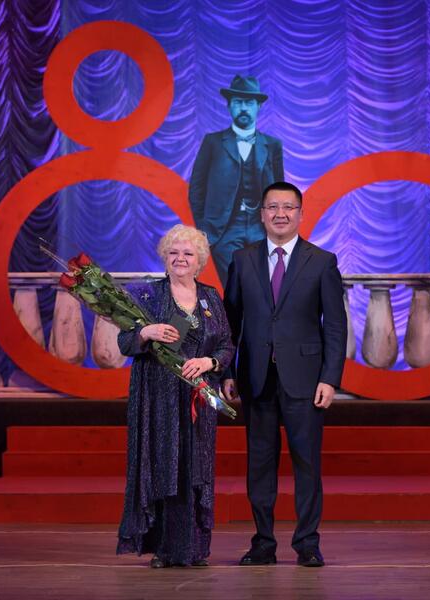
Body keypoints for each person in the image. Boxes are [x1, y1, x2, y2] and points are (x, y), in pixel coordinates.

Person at [222, 181, 347, 568]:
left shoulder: (322, 261)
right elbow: (230, 323)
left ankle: (307, 543)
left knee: (307, 463)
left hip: (306, 381)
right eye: (273, 207)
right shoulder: (242, 260)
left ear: (301, 214)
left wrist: (330, 378)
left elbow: (335, 326)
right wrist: (227, 371)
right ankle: (263, 542)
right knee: (259, 464)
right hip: (255, 378)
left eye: (288, 207)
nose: (280, 214)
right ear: (262, 214)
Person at [116, 224, 234, 568]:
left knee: (196, 468)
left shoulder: (211, 297)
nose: (180, 259)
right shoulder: (148, 295)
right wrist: (145, 332)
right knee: (163, 466)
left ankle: (195, 549)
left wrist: (210, 362)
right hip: (158, 396)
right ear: (164, 257)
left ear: (200, 261)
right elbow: (124, 342)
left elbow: (226, 345)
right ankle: (165, 549)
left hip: (199, 396)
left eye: (188, 253)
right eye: (174, 252)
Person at [189, 74, 284, 285]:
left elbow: (280, 191)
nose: (243, 108)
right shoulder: (213, 142)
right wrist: (205, 228)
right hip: (224, 230)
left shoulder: (272, 145)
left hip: (262, 228)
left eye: (249, 103)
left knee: (262, 286)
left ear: (258, 106)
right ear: (229, 106)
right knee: (235, 284)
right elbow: (196, 190)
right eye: (237, 102)